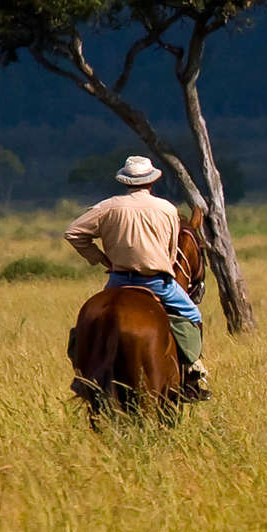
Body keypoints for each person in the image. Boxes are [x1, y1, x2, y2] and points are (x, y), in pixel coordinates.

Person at [64, 155, 210, 399]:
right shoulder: (167, 209)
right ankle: (191, 375)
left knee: (85, 325)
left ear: (125, 182)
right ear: (151, 182)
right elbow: (172, 248)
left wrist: (100, 258)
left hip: (118, 281)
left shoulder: (107, 207)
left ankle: (83, 377)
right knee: (193, 315)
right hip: (157, 282)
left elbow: (73, 233)